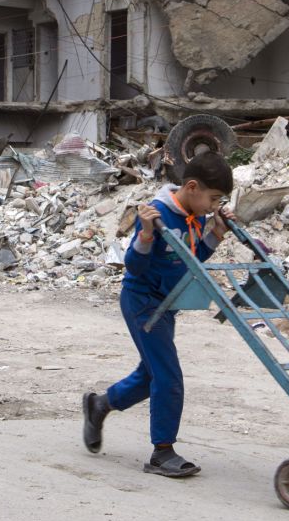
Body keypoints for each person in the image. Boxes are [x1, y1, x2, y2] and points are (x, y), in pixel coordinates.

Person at [83, 152, 235, 477]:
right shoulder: (157, 213)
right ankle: (162, 452)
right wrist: (147, 234)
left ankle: (100, 405)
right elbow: (135, 266)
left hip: (167, 303)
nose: (214, 206)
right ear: (192, 187)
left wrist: (217, 231)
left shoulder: (193, 218)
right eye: (213, 198)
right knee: (168, 376)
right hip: (142, 301)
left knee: (151, 374)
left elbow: (191, 258)